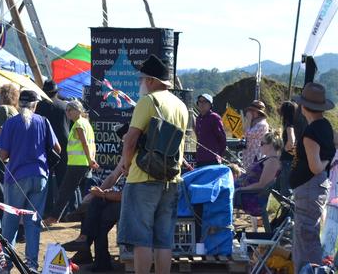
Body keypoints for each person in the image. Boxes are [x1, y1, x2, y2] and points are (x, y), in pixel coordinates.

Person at [117, 54, 188, 274]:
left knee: (142, 238)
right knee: (163, 240)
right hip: (171, 179)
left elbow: (130, 139)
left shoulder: (148, 102)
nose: (140, 84)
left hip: (143, 178)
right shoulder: (181, 106)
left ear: (150, 80)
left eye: (141, 79)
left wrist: (126, 165)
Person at [0, 89, 61, 273]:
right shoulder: (44, 121)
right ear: (35, 105)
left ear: (19, 103)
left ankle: (5, 265)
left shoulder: (11, 123)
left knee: (10, 221)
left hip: (16, 176)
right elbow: (57, 147)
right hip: (40, 176)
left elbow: (3, 154)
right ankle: (31, 264)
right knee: (33, 222)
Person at [290, 82, 336, 273]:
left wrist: (326, 159)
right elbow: (337, 141)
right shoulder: (325, 125)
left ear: (304, 107)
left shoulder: (310, 133)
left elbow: (316, 166)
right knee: (307, 235)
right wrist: (329, 155)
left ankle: (310, 270)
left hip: (309, 188)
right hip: (315, 187)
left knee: (305, 236)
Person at [62, 160, 126, 271]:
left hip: (132, 202)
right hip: (123, 197)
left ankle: (85, 241)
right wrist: (97, 193)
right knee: (95, 203)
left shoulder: (138, 154)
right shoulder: (128, 153)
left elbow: (126, 196)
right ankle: (86, 242)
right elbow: (113, 177)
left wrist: (103, 194)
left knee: (97, 214)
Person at [45, 99, 98, 225]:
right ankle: (81, 216)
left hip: (78, 164)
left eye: (70, 110)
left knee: (65, 191)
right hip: (83, 164)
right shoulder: (86, 123)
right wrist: (91, 159)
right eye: (66, 110)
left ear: (78, 110)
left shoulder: (79, 124)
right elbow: (92, 144)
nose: (67, 112)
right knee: (75, 190)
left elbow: (85, 143)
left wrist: (91, 160)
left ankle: (53, 218)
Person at [36, 79, 70, 216]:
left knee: (47, 179)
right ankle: (65, 211)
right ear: (56, 92)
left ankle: (47, 209)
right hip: (63, 144)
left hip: (46, 145)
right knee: (63, 179)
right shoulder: (64, 106)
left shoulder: (39, 106)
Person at [234, 132, 282, 216]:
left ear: (271, 144)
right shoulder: (267, 159)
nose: (260, 146)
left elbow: (262, 185)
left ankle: (217, 226)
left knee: (218, 196)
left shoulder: (272, 162)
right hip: (244, 193)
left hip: (251, 198)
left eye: (262, 143)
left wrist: (239, 190)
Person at [194, 93, 226, 167]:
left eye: (205, 102)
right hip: (200, 158)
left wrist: (219, 155)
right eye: (200, 101)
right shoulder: (198, 118)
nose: (202, 104)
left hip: (212, 159)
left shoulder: (214, 117)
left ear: (210, 104)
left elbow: (222, 139)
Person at [242, 100, 270, 171]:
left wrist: (248, 119)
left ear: (258, 112)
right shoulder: (254, 123)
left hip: (255, 157)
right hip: (248, 156)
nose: (250, 112)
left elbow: (247, 134)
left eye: (252, 111)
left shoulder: (262, 124)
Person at [277, 100, 297, 196]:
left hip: (287, 160)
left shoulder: (289, 125)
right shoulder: (296, 124)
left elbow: (291, 141)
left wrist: (284, 150)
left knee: (286, 189)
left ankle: (288, 210)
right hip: (292, 159)